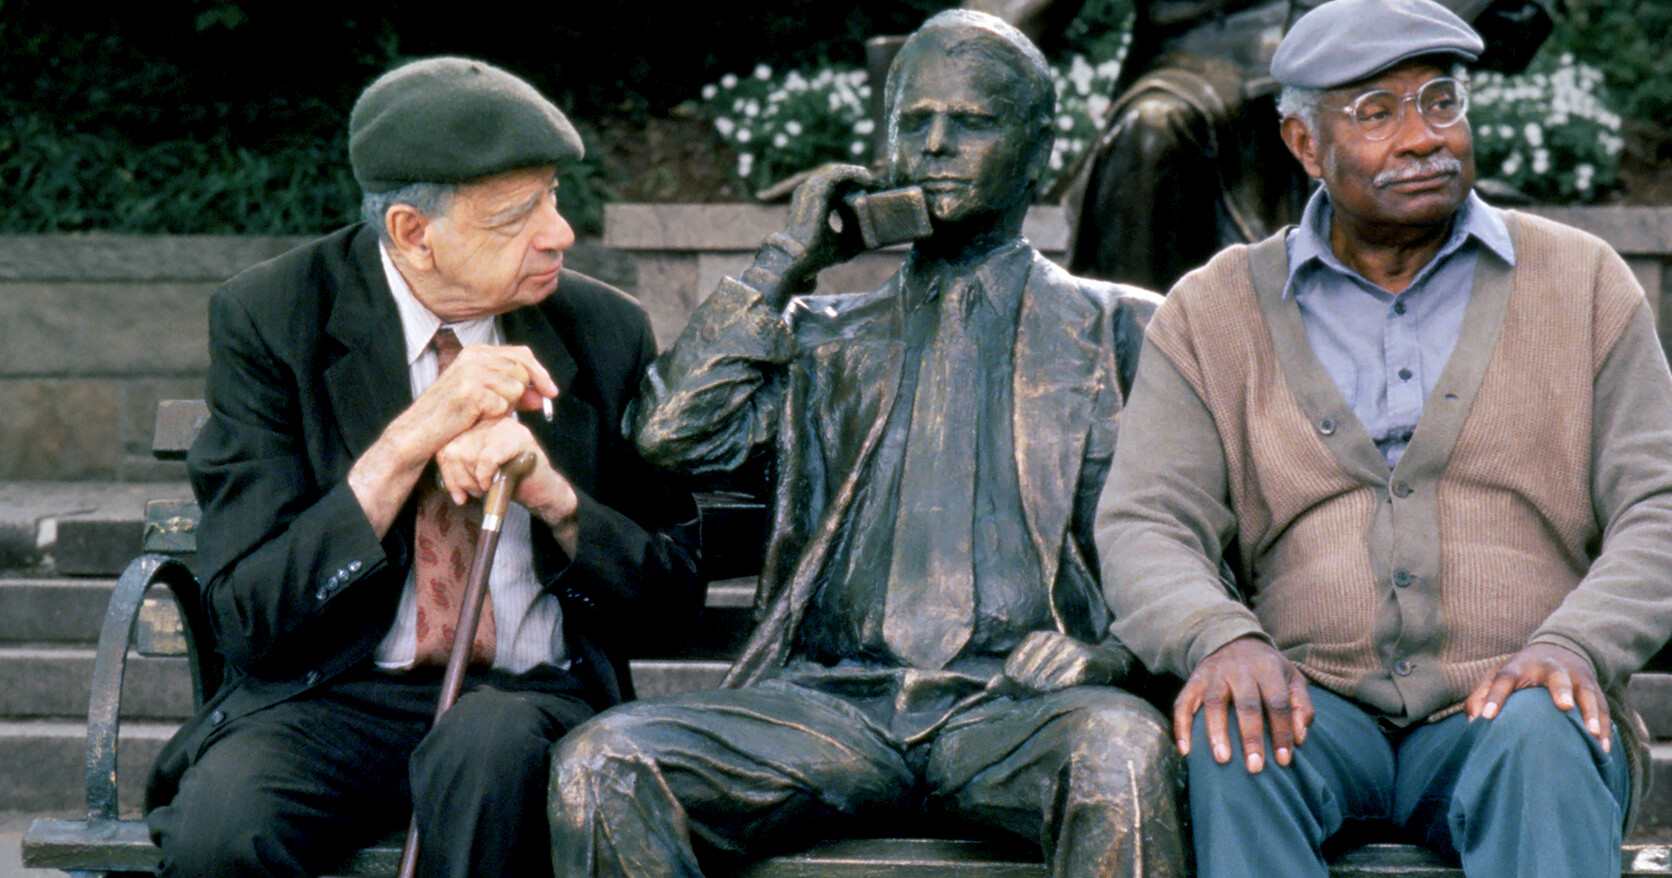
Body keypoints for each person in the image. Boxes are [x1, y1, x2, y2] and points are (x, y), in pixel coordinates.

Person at [1092, 1, 1672, 876]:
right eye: (1376, 112)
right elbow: (1147, 523)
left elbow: (1671, 514)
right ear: (1305, 145)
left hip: (1514, 712)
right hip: (1314, 710)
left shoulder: (1582, 283)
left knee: (1545, 731)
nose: (1423, 138)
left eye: (1441, 101)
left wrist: (1575, 644)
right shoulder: (1212, 312)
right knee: (1235, 740)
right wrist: (1219, 638)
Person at [547, 11, 1186, 878]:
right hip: (832, 706)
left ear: (1041, 151)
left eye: (971, 122)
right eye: (914, 122)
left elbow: (1198, 535)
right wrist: (785, 261)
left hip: (1023, 707)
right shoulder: (820, 337)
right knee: (603, 765)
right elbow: (666, 437)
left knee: (1120, 753)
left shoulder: (1127, 332)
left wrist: (1115, 656)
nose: (936, 145)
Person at [143, 57, 703, 878]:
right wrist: (409, 442)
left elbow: (670, 603)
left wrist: (555, 499)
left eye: (552, 196)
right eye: (516, 216)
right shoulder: (273, 316)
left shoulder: (604, 330)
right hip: (329, 694)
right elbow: (249, 617)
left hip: (527, 699)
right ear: (412, 232)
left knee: (484, 755)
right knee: (222, 833)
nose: (559, 233)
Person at [964, 0, 1558, 294]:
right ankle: (1132, 379)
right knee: (1152, 132)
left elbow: (1517, 28)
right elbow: (1008, 17)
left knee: (1385, 133)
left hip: (1358, 57)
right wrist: (964, 75)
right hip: (1195, 66)